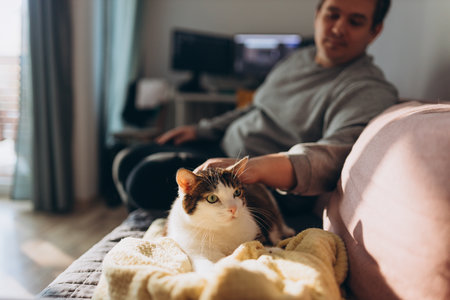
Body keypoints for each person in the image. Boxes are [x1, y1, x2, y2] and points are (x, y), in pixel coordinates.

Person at [113, 0, 398, 214]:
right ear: (317, 14)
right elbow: (254, 108)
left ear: (375, 31)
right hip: (223, 152)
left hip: (255, 183)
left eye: (355, 21)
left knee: (143, 179)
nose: (338, 28)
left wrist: (254, 170)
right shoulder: (298, 59)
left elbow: (331, 157)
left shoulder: (367, 88)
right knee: (126, 160)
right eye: (332, 14)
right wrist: (201, 129)